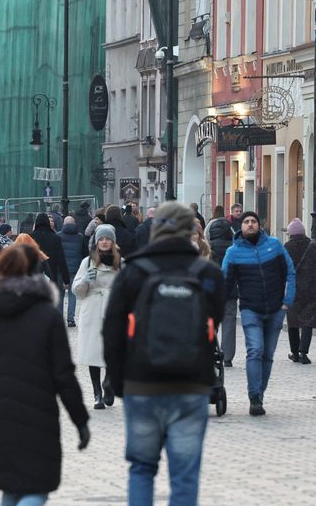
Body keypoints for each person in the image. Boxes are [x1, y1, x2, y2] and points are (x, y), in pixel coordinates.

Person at [102, 201, 225, 506]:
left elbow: (112, 331)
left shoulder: (134, 271)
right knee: (185, 473)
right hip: (191, 384)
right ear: (192, 230)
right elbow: (213, 325)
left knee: (142, 468)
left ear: (155, 229)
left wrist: (119, 383)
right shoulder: (208, 273)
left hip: (142, 384)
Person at [0, 245, 90, 506]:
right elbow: (64, 374)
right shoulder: (47, 315)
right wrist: (80, 420)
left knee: (11, 487)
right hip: (37, 412)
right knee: (37, 487)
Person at [222, 211, 295, 416]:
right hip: (250, 309)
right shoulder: (233, 252)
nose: (250, 224)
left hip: (275, 309)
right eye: (246, 222)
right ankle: (254, 396)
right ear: (240, 226)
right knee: (255, 350)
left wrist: (286, 302)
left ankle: (259, 395)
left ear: (259, 225)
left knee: (268, 355)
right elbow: (225, 282)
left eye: (253, 221)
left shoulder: (274, 245)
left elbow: (290, 272)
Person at [72, 224, 120, 410]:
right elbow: (78, 291)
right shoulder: (88, 262)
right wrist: (85, 281)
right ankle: (97, 394)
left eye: (107, 239)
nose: (104, 242)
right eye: (101, 239)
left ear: (113, 241)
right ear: (96, 242)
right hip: (92, 310)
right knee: (93, 354)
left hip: (112, 312)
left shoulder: (120, 262)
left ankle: (108, 384)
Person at [284, 218, 316, 364]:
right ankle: (303, 352)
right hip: (310, 289)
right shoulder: (313, 245)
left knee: (293, 321)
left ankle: (294, 353)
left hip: (292, 290)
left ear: (290, 233)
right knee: (308, 321)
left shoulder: (286, 247)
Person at [207, 215, 239, 366]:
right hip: (230, 291)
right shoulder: (234, 249)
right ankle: (227, 357)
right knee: (229, 322)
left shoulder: (207, 248)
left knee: (211, 321)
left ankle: (211, 351)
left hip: (212, 292)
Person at [31, 213, 71, 294]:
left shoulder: (30, 237)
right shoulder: (55, 238)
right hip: (51, 273)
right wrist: (66, 279)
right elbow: (61, 259)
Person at [58, 216, 87, 327]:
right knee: (72, 294)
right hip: (75, 269)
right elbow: (85, 253)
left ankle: (60, 319)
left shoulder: (58, 236)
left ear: (64, 224)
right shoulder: (80, 237)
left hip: (60, 270)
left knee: (60, 294)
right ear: (74, 223)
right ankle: (71, 319)